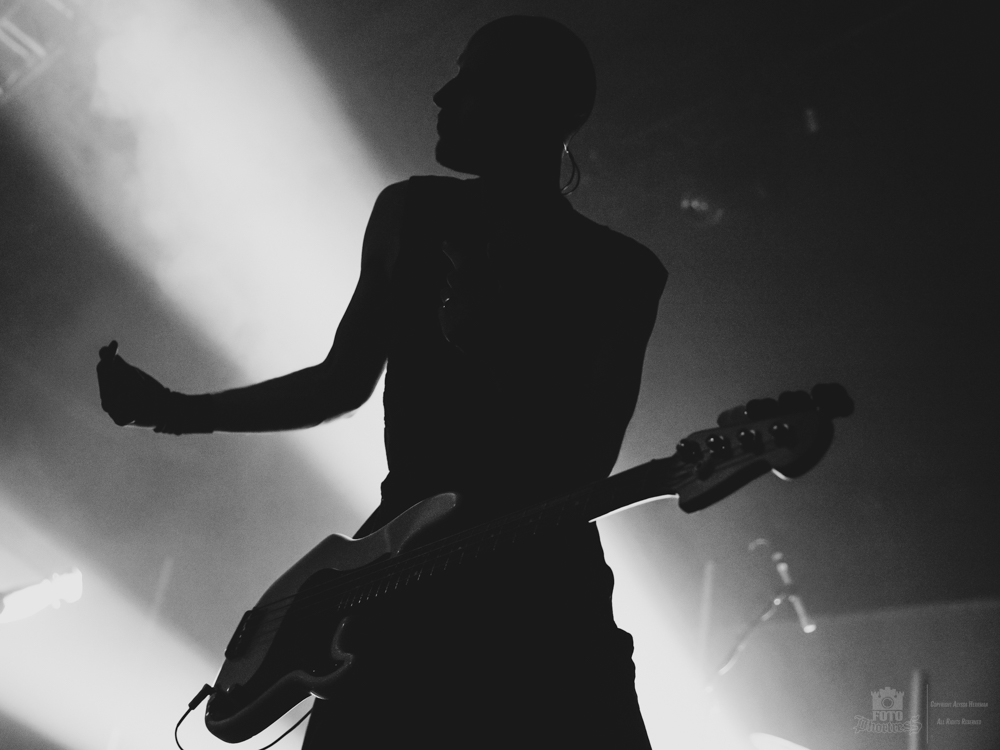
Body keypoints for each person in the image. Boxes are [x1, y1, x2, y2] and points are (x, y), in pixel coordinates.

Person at [98, 16, 667, 749]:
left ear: (535, 104)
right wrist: (174, 410)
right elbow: (342, 380)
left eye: (471, 80)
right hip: (394, 577)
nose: (441, 93)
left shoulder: (620, 273)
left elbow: (584, 466)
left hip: (539, 591)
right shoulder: (411, 213)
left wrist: (492, 347)